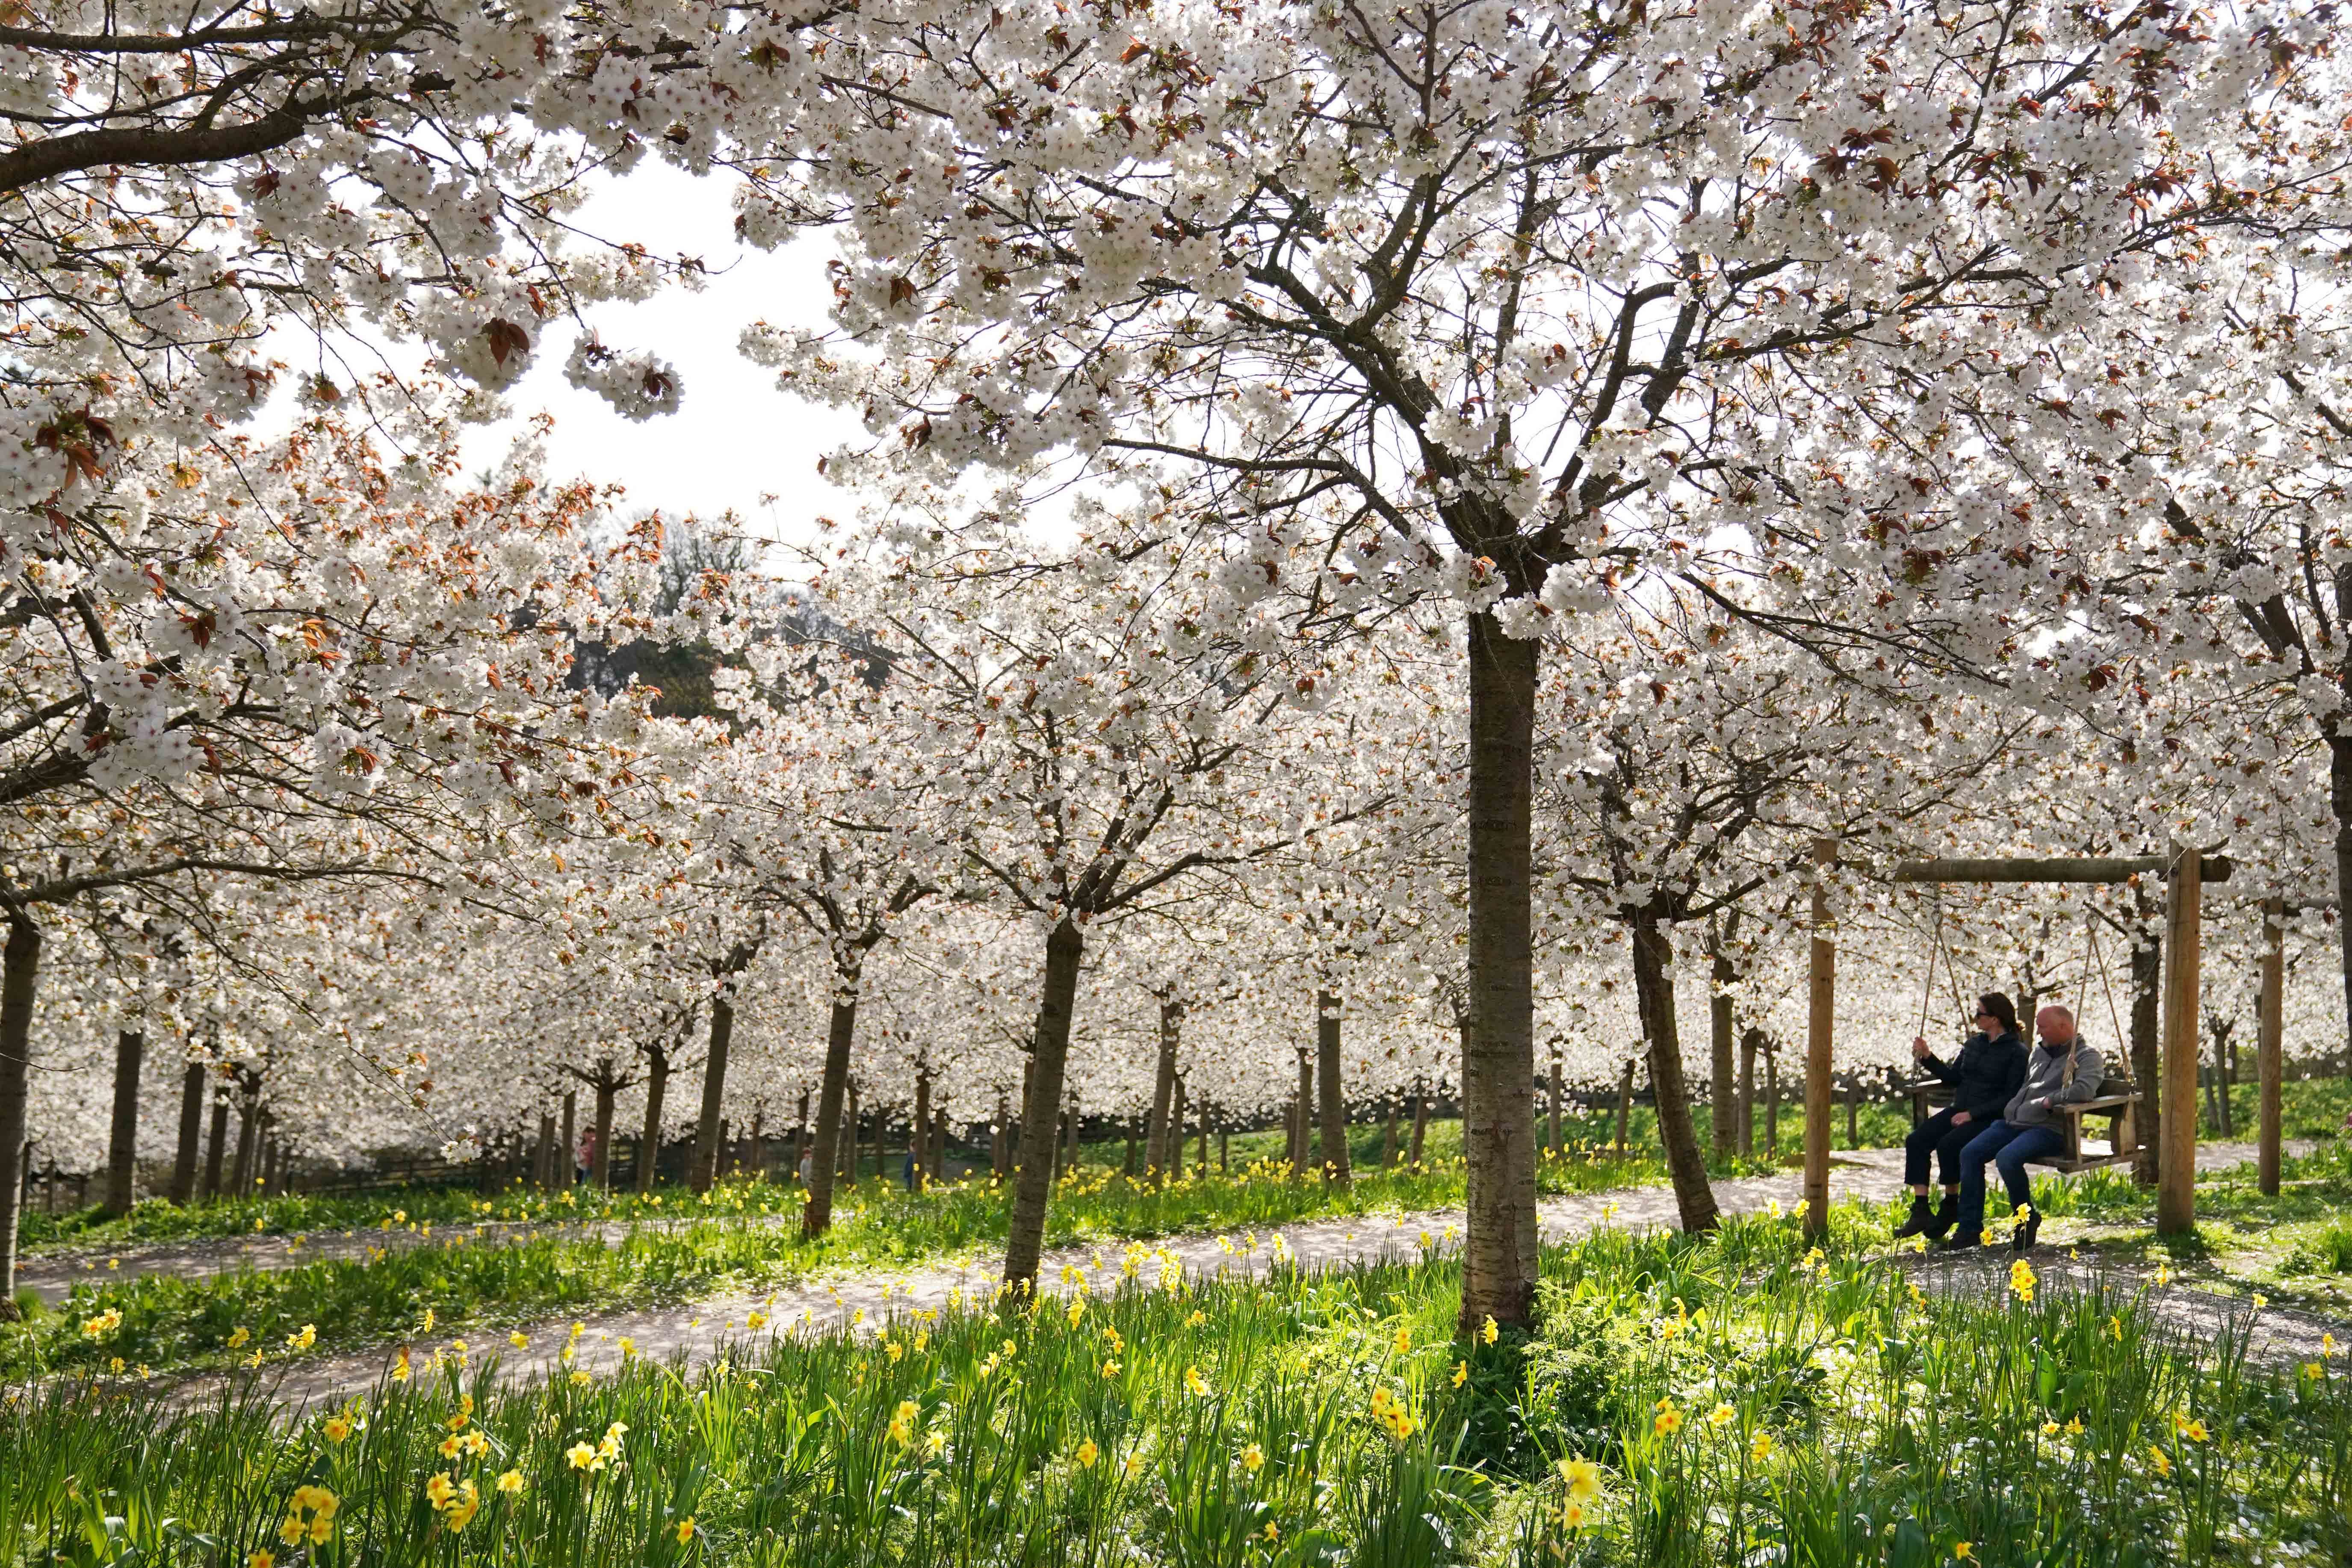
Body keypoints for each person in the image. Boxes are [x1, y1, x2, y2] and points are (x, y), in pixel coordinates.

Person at [1947, 1005, 2105, 1252]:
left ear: (2064, 1027)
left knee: (2007, 1158)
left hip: (2050, 1128)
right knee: (1970, 1153)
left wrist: (2051, 1100)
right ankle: (1969, 1229)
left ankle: (2025, 1218)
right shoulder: (2039, 1053)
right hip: (2016, 1122)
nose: (2038, 1032)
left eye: (2043, 1027)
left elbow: (2085, 1090)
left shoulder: (2086, 1056)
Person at [1894, 992, 2028, 1241]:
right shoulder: (1974, 1044)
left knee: (1950, 1145)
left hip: (1989, 1116)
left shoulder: (2017, 1052)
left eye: (1980, 1013)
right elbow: (1953, 1078)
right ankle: (1921, 1208)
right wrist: (1927, 1057)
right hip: (1961, 1109)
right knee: (1917, 1140)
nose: (1975, 1018)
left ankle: (1951, 1205)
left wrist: (1973, 1114)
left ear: (1995, 1019)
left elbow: (2011, 1096)